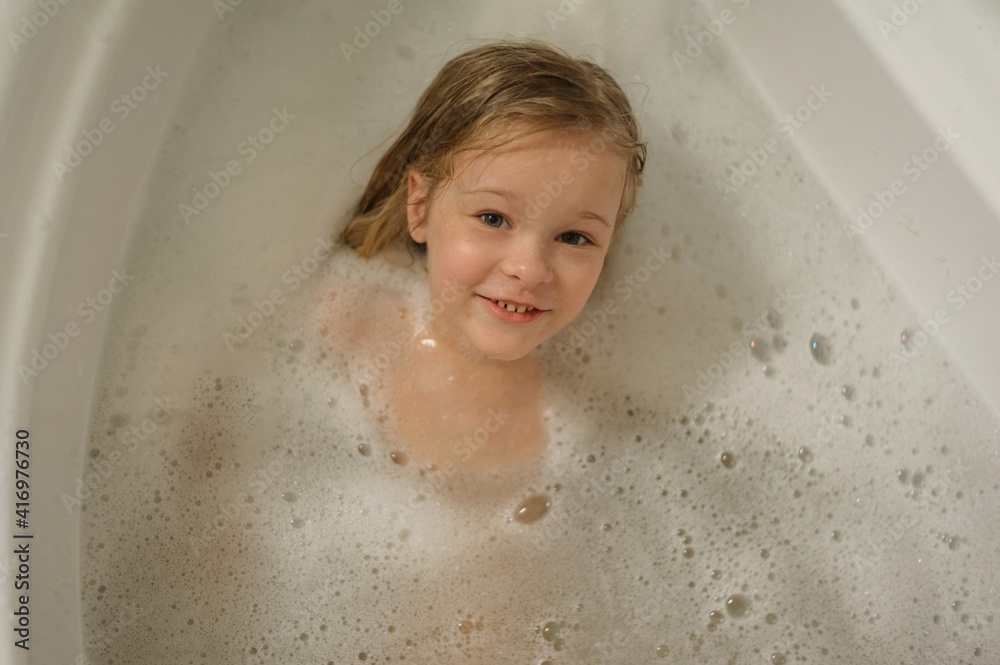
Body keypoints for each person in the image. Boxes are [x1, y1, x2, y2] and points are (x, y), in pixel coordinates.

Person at [327, 39, 646, 475]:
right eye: (493, 219)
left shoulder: (593, 399)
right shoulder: (346, 323)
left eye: (574, 237)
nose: (529, 269)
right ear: (419, 207)